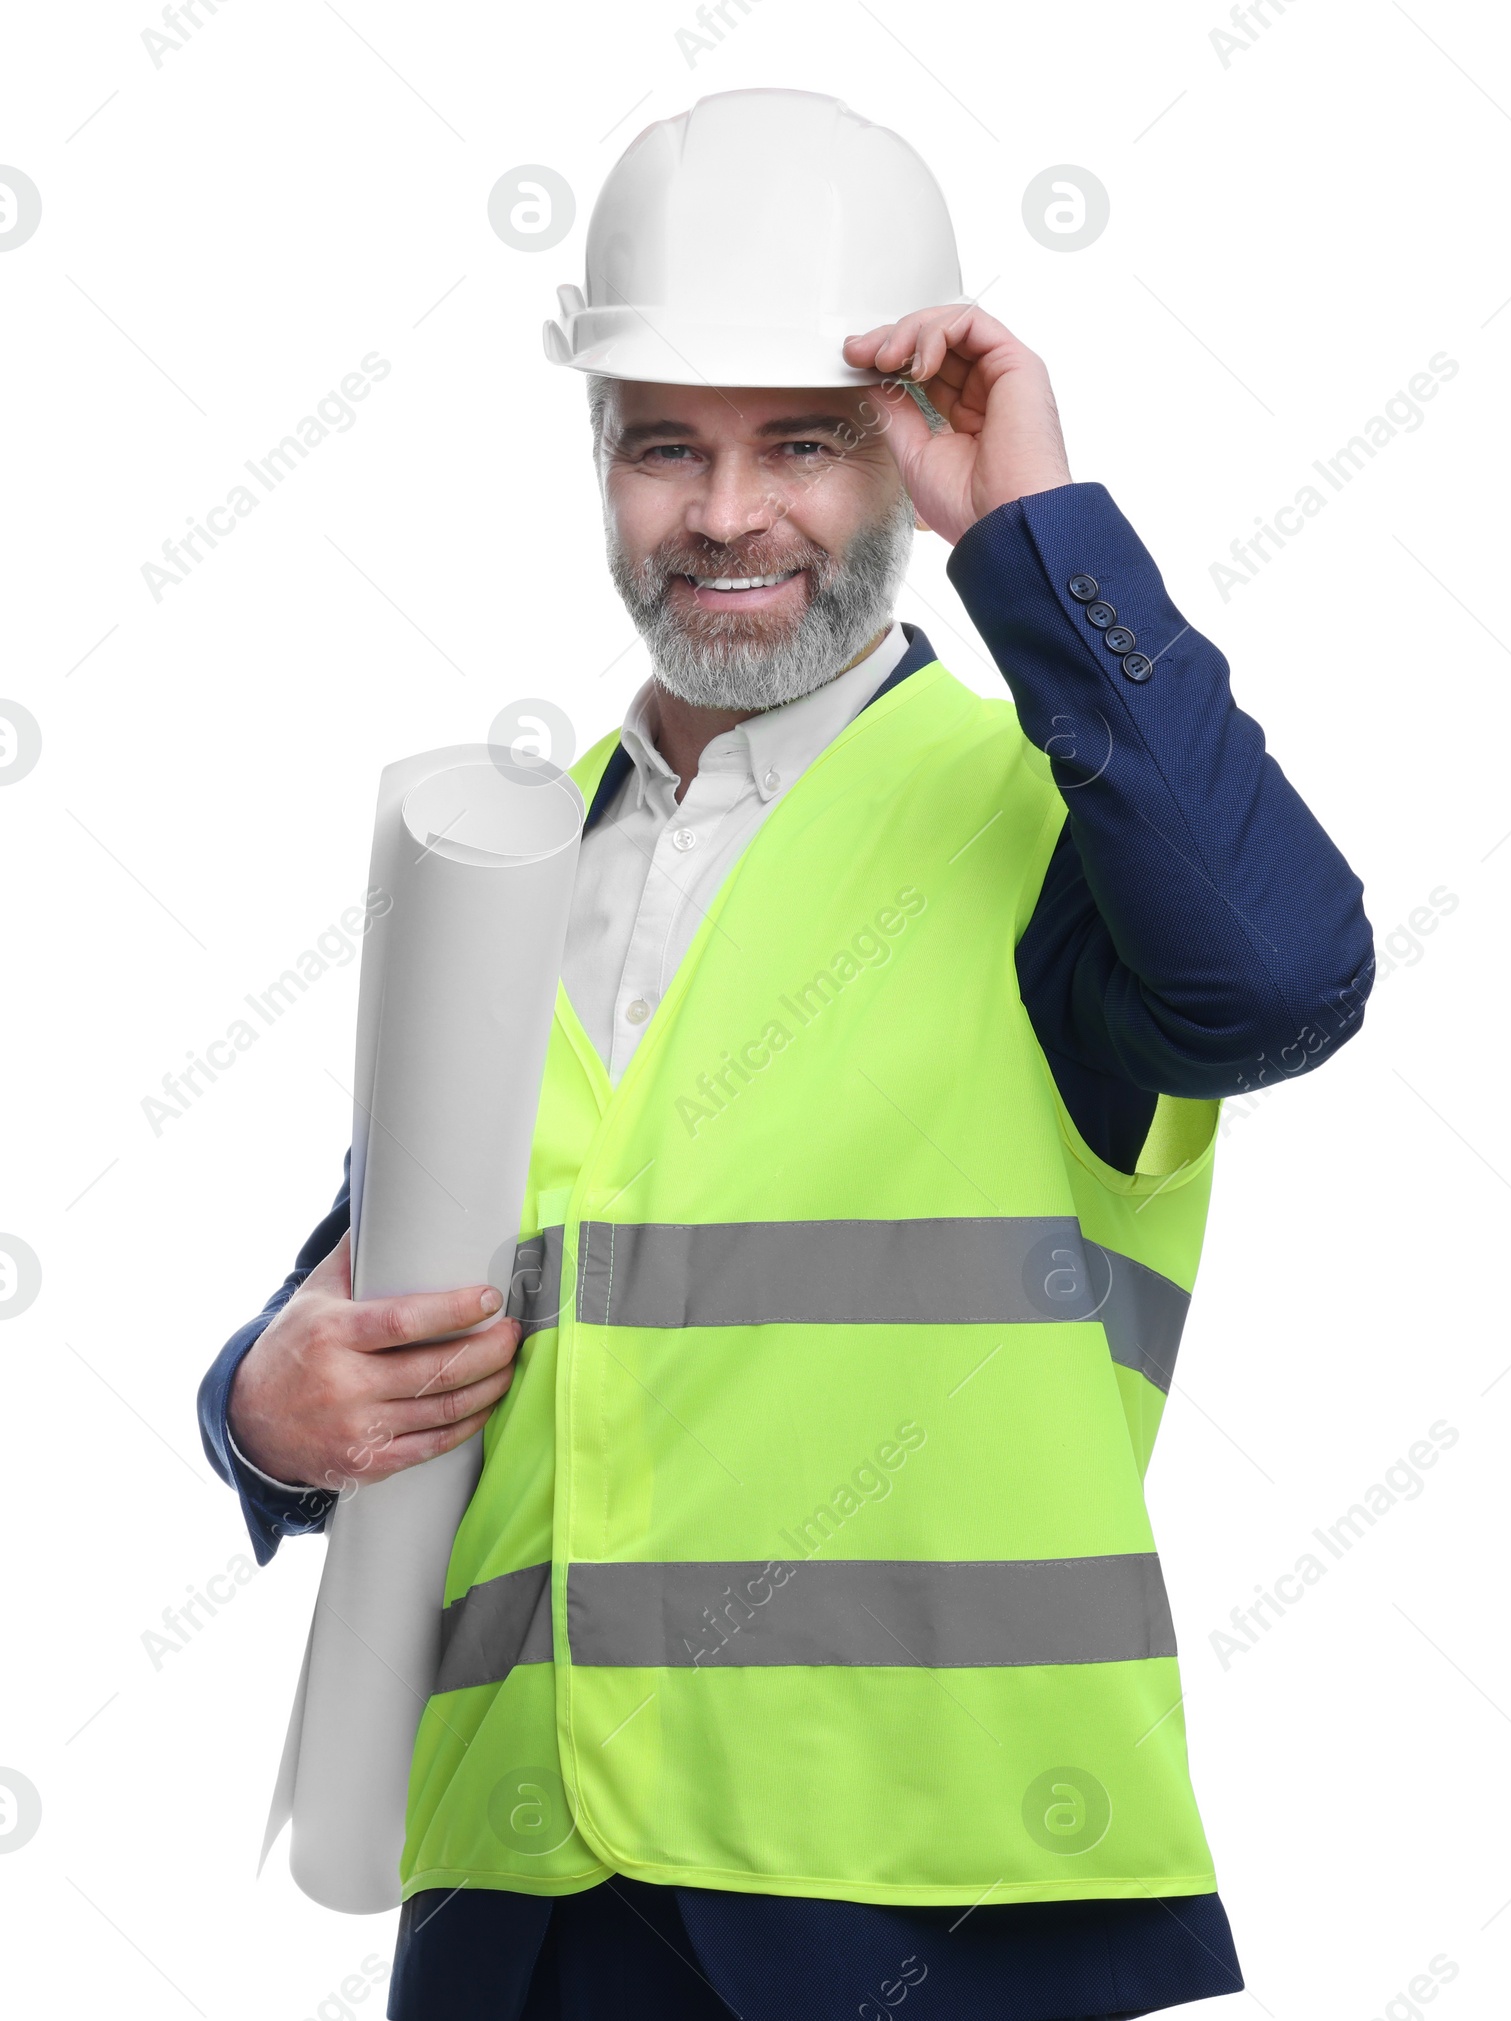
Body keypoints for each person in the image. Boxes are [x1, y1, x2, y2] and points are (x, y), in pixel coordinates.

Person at [199, 89, 1374, 2021]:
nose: (726, 514)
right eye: (666, 445)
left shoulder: (1060, 827)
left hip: (945, 1918)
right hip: (518, 1923)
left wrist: (1040, 536)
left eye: (802, 448)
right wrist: (260, 1406)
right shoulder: (506, 863)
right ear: (599, 461)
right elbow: (365, 1300)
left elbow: (1281, 982)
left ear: (906, 466)